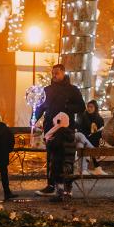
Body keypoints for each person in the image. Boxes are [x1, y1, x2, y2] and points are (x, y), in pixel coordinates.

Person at [33, 63, 86, 194]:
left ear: (63, 72)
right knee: (51, 157)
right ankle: (51, 185)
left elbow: (81, 107)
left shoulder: (72, 90)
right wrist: (34, 118)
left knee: (67, 157)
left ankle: (67, 187)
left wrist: (67, 108)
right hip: (50, 129)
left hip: (66, 130)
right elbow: (40, 106)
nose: (54, 75)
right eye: (53, 73)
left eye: (57, 73)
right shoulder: (47, 90)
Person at [44, 111, 76, 199]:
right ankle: (68, 191)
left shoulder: (60, 133)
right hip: (70, 166)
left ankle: (59, 193)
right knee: (60, 167)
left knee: (55, 167)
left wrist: (49, 143)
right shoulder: (71, 134)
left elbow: (54, 146)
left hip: (60, 165)